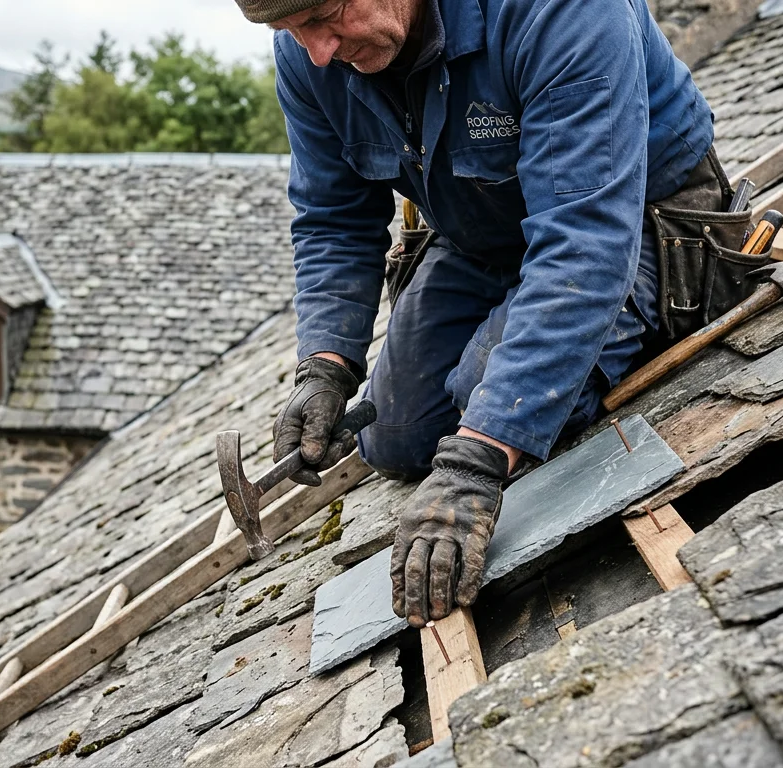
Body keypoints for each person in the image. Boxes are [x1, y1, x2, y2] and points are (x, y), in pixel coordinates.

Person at [237, 0, 740, 627]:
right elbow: (333, 220)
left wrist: (478, 458)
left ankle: (608, 334)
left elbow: (583, 237)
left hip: (635, 221)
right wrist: (326, 366)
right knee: (389, 433)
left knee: (487, 397)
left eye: (326, 17)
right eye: (290, 31)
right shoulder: (309, 54)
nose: (317, 51)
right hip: (484, 234)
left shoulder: (557, 11)